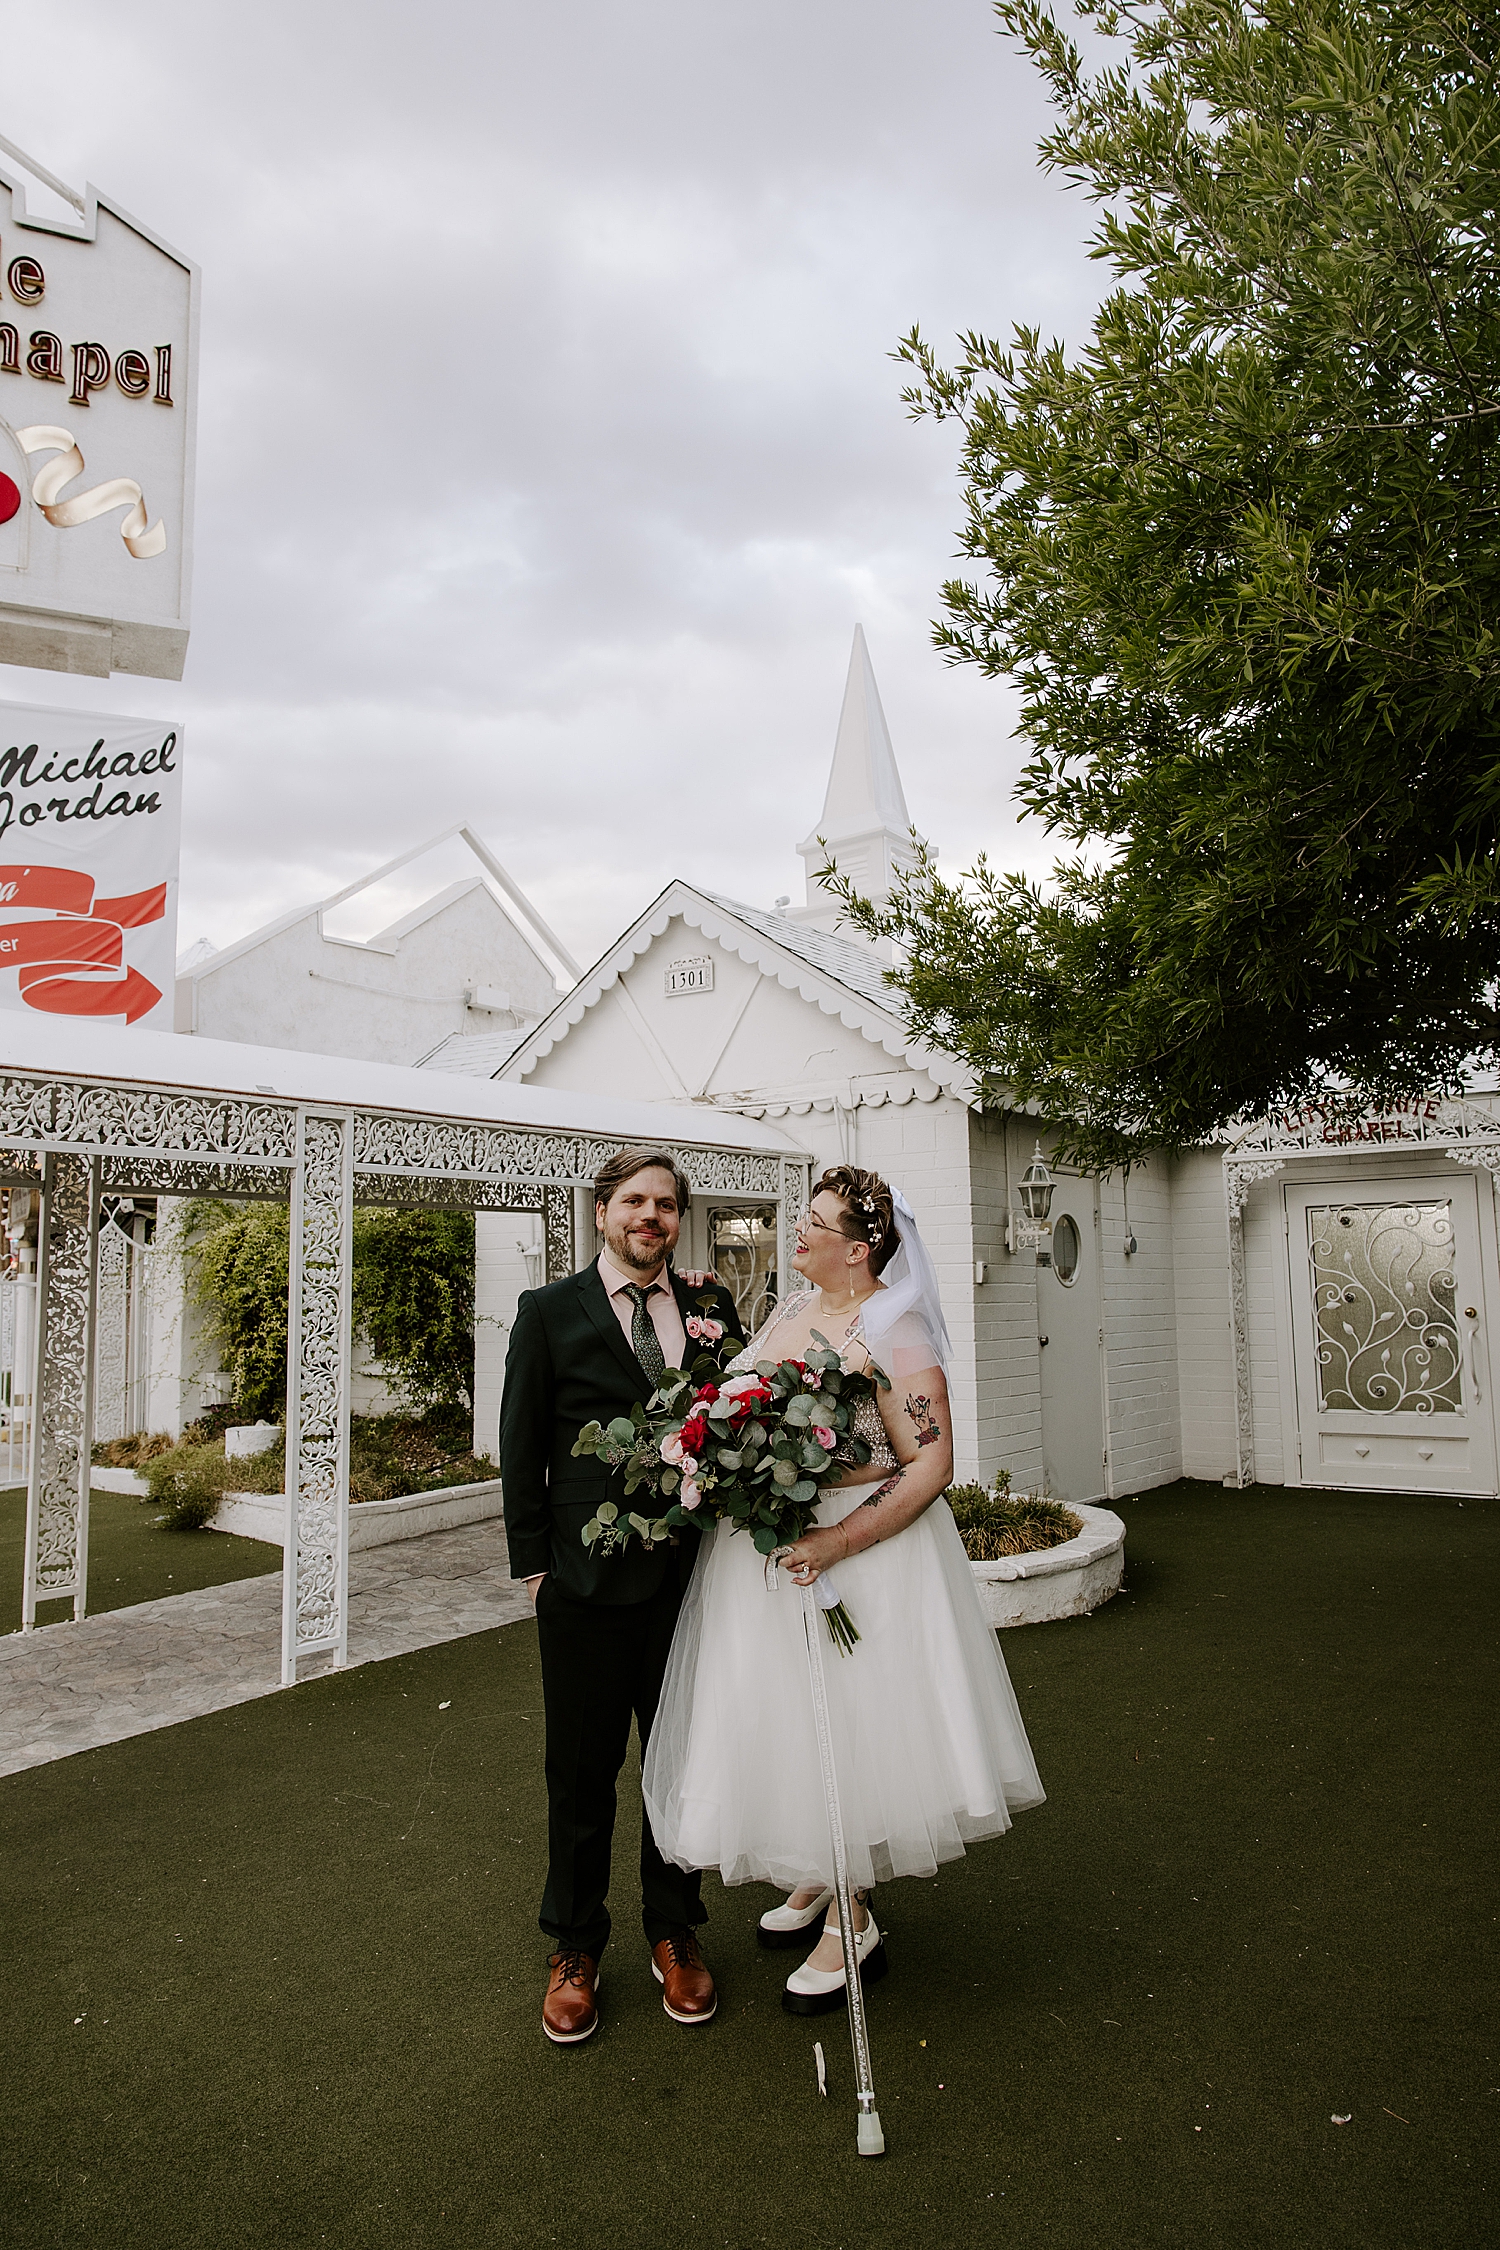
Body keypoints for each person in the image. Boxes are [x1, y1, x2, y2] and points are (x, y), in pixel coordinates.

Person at [642, 1165, 1045, 2014]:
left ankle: (852, 1912)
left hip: (863, 1553)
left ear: (859, 1252)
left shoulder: (894, 1333)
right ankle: (818, 1874)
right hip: (773, 1545)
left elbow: (930, 1463)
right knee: (783, 1715)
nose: (801, 1229)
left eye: (817, 1222)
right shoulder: (792, 1313)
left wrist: (836, 1539)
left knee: (852, 1723)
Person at [499, 1146, 744, 2045]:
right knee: (582, 1770)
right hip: (583, 1578)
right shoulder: (547, 1311)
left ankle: (674, 1932)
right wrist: (536, 1565)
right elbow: (521, 1441)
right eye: (635, 1201)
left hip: (690, 1574)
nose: (652, 1216)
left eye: (667, 1205)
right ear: (602, 1211)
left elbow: (740, 1412)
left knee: (677, 1758)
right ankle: (574, 1945)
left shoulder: (712, 1307)